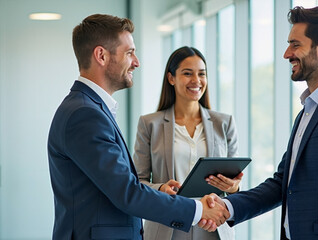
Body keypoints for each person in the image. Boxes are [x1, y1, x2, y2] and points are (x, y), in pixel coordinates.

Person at [203, 6, 318, 240]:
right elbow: (282, 184)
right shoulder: (307, 111)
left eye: (295, 44)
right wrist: (229, 207)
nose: (287, 53)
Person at [47, 14, 228, 240]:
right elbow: (127, 192)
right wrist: (197, 209)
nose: (136, 62)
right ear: (101, 55)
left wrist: (158, 189)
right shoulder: (85, 114)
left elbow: (115, 186)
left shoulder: (89, 109)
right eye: (130, 53)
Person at [132, 46, 242, 240]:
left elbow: (235, 185)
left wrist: (233, 187)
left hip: (213, 228)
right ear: (171, 78)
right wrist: (161, 189)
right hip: (167, 227)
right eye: (187, 73)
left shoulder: (224, 123)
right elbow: (137, 182)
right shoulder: (149, 124)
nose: (196, 80)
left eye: (202, 74)